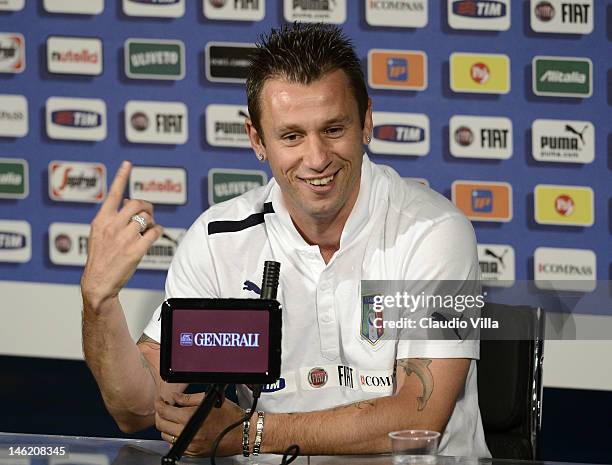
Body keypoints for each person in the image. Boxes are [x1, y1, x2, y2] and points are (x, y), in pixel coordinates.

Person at [81, 23, 490, 458]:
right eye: (291, 136)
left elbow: (417, 418)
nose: (316, 159)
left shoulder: (432, 232)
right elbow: (140, 407)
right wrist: (98, 303)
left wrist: (250, 433)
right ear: (257, 140)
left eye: (333, 129)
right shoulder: (221, 242)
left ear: (366, 120)